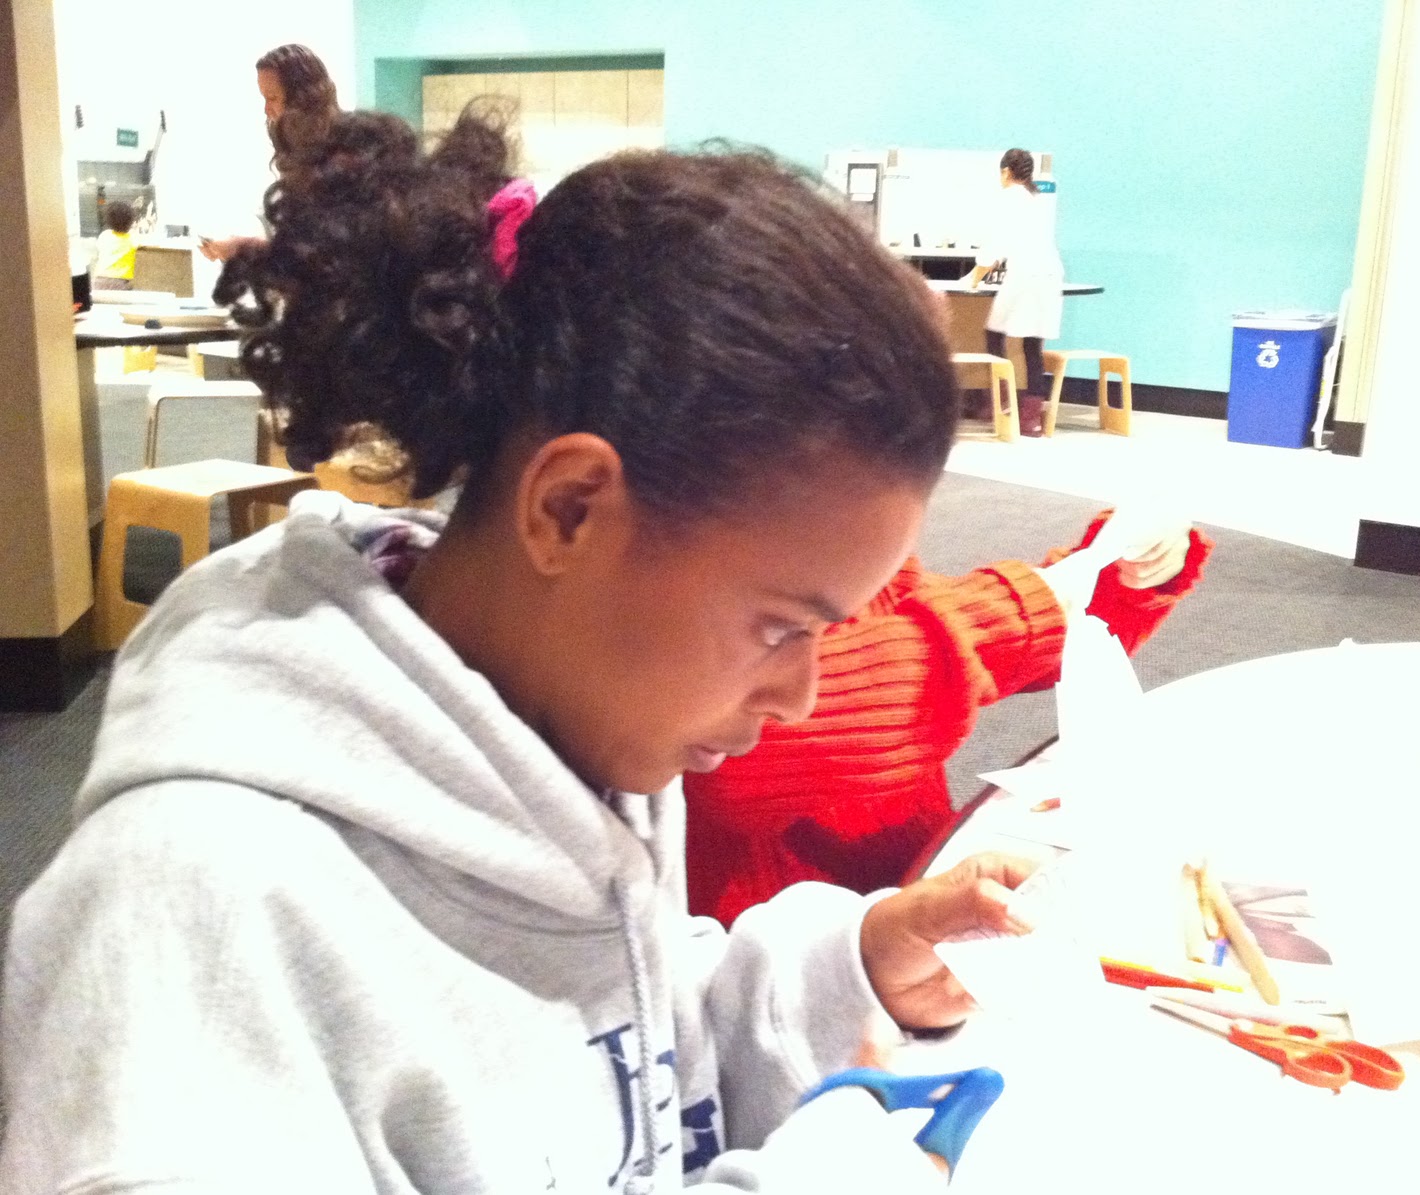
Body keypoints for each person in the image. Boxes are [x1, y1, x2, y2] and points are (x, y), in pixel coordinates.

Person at [0, 110, 1035, 1191]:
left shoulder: (573, 728)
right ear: (571, 509)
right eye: (782, 626)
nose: (802, 695)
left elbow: (628, 1049)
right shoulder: (195, 928)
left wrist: (848, 971)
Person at [685, 513, 1213, 925]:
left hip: (913, 875)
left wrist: (1111, 576)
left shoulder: (837, 536)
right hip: (774, 940)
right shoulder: (706, 572)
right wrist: (1024, 611)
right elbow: (752, 743)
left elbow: (984, 651)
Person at [199, 43, 339, 263]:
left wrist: (249, 249)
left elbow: (324, 253)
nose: (266, 110)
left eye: (272, 98)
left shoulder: (338, 158)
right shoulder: (293, 149)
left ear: (302, 98)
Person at [967, 148, 1064, 436]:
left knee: (994, 334)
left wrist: (973, 280)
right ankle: (1031, 418)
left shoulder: (1009, 197)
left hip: (1026, 276)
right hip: (1049, 275)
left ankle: (999, 403)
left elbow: (994, 248)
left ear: (1006, 171)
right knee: (1032, 346)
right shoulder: (1037, 198)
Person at [92, 200, 137, 290]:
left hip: (99, 278)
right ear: (131, 221)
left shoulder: (104, 235)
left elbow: (99, 248)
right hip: (120, 281)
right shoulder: (133, 238)